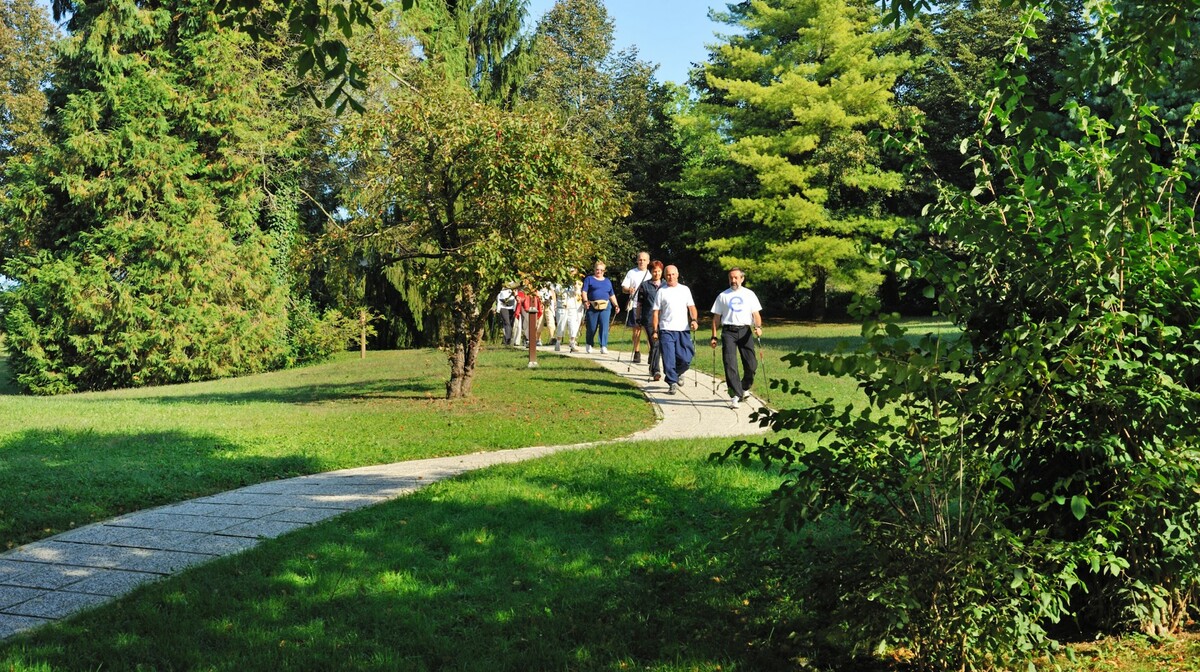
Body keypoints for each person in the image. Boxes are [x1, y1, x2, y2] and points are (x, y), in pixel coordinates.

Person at [710, 267, 764, 408]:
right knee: (730, 363)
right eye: (731, 278)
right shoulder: (723, 296)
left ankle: (744, 387)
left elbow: (756, 315)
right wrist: (714, 336)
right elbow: (716, 318)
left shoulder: (749, 294)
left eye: (736, 277)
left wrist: (758, 327)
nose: (733, 280)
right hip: (728, 332)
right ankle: (735, 394)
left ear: (742, 279)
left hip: (745, 331)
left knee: (751, 364)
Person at [650, 265, 698, 394]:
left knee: (686, 358)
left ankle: (678, 373)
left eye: (673, 274)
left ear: (677, 275)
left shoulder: (685, 290)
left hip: (683, 329)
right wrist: (655, 330)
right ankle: (672, 382)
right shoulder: (661, 291)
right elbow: (655, 313)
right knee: (669, 358)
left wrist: (693, 320)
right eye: (668, 275)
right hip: (666, 329)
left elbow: (692, 307)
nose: (671, 277)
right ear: (665, 276)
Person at [582, 261, 619, 354]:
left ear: (604, 271)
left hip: (605, 306)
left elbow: (611, 294)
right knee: (592, 327)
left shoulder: (607, 281)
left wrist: (616, 305)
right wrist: (585, 301)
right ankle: (589, 343)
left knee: (604, 326)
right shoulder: (589, 279)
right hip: (593, 305)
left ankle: (603, 345)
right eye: (597, 270)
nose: (599, 272)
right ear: (594, 269)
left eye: (601, 270)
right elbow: (584, 292)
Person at [636, 260, 666, 381]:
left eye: (659, 271)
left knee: (660, 344)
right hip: (648, 318)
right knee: (655, 343)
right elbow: (639, 303)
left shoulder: (666, 284)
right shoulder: (644, 285)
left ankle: (654, 367)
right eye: (654, 271)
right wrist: (638, 317)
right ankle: (656, 370)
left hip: (664, 319)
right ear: (650, 272)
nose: (657, 273)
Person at [621, 251, 651, 363]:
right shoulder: (631, 272)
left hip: (648, 306)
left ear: (648, 261)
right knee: (636, 330)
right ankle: (637, 352)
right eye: (640, 259)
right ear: (637, 260)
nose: (641, 262)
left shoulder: (651, 273)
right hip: (634, 304)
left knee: (649, 331)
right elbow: (624, 287)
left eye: (644, 260)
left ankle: (651, 353)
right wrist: (629, 289)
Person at [554, 269, 584, 352]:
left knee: (573, 325)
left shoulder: (577, 282)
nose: (571, 274)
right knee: (561, 325)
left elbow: (578, 292)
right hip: (562, 307)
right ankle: (558, 342)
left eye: (573, 272)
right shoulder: (560, 281)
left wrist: (575, 286)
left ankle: (572, 342)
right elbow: (558, 291)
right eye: (570, 272)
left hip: (574, 307)